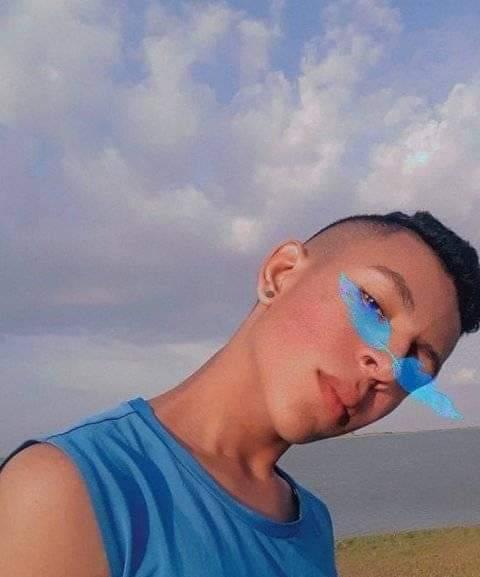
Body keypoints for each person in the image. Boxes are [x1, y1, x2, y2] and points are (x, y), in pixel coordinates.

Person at [1, 210, 479, 577]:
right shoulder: (72, 489)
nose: (387, 367)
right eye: (373, 305)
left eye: (416, 365)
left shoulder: (311, 521)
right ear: (280, 273)